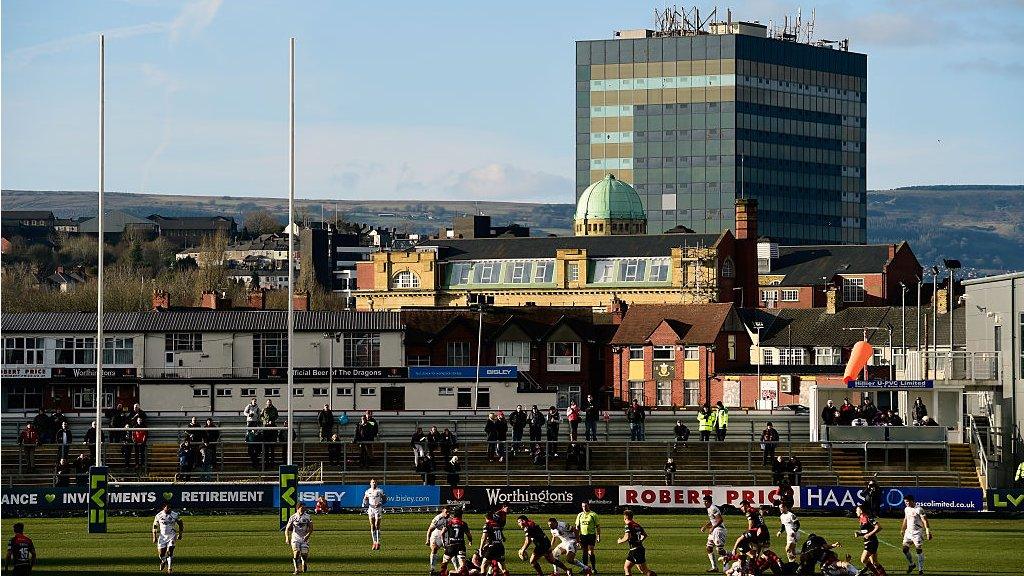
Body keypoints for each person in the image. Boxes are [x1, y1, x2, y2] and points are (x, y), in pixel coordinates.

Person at [617, 509, 656, 576]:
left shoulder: (628, 525)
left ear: (625, 517)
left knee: (644, 571)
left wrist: (620, 541)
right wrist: (639, 541)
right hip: (636, 549)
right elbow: (644, 535)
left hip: (636, 551)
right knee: (627, 567)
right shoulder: (637, 525)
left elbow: (627, 537)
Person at [900, 494, 932, 575]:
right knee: (905, 549)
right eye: (905, 502)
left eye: (907, 502)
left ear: (912, 501)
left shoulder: (919, 509)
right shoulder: (906, 509)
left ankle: (920, 570)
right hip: (908, 532)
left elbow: (925, 521)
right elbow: (906, 519)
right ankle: (911, 564)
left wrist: (928, 532)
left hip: (917, 532)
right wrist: (902, 529)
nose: (906, 503)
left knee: (918, 549)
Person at [152, 503, 184, 574]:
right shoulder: (158, 515)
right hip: (162, 537)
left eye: (170, 508)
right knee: (161, 554)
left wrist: (180, 534)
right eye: (167, 508)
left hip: (172, 535)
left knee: (170, 551)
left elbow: (181, 524)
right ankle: (163, 561)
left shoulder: (175, 515)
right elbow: (155, 526)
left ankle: (169, 568)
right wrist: (154, 537)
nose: (169, 509)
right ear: (164, 508)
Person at [440, 507, 473, 576]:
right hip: (460, 546)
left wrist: (444, 543)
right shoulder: (463, 524)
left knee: (444, 564)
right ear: (461, 515)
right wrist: (470, 541)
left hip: (451, 546)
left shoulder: (449, 523)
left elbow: (442, 533)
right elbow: (469, 535)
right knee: (463, 567)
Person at [855, 504, 885, 576]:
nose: (856, 511)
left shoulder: (868, 518)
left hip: (872, 542)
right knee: (874, 562)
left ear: (861, 511)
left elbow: (879, 527)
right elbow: (866, 531)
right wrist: (859, 534)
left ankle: (876, 574)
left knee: (863, 560)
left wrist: (869, 534)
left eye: (857, 509)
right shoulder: (861, 519)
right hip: (868, 542)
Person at [284, 501, 314, 575]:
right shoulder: (293, 517)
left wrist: (307, 535)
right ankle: (296, 569)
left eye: (304, 508)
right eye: (302, 507)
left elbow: (311, 528)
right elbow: (287, 529)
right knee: (296, 552)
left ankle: (304, 562)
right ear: (298, 508)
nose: (304, 509)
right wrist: (287, 538)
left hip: (304, 538)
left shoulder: (307, 517)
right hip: (295, 538)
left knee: (304, 554)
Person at [479, 506, 510, 576]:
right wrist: (503, 537)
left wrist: (481, 548)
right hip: (500, 546)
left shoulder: (487, 524)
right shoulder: (497, 524)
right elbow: (501, 534)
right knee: (503, 567)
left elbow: (483, 537)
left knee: (483, 564)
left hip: (492, 547)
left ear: (486, 517)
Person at [700, 494, 727, 573]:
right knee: (709, 548)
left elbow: (720, 520)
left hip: (719, 530)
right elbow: (713, 520)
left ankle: (733, 556)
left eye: (705, 502)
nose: (704, 503)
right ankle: (714, 567)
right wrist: (705, 527)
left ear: (708, 502)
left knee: (720, 550)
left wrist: (713, 527)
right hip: (714, 531)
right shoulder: (709, 509)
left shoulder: (713, 508)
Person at [575, 501, 601, 574]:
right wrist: (577, 539)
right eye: (583, 506)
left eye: (585, 506)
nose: (584, 507)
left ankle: (593, 568)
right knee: (584, 552)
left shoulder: (593, 515)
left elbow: (598, 526)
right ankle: (585, 568)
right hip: (582, 536)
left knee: (591, 552)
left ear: (589, 506)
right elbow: (577, 527)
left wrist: (598, 536)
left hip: (591, 535)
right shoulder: (579, 515)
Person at [363, 478, 387, 550]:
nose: (374, 483)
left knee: (377, 524)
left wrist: (380, 503)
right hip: (371, 509)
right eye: (373, 482)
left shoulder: (380, 491)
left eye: (375, 482)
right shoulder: (367, 491)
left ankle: (378, 542)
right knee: (372, 525)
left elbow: (385, 499)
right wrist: (364, 502)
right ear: (370, 483)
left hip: (378, 509)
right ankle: (374, 542)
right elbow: (365, 499)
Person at [426, 506, 450, 576]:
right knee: (434, 549)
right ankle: (432, 569)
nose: (448, 513)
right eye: (446, 512)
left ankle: (458, 568)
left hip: (446, 536)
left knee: (450, 552)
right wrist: (427, 539)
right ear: (442, 511)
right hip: (436, 535)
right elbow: (430, 529)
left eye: (449, 512)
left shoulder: (451, 519)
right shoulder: (437, 518)